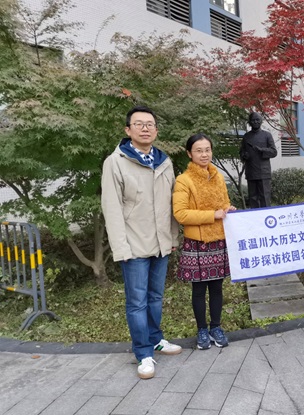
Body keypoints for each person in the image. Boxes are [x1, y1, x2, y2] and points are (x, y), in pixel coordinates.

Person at [102, 106, 182, 380]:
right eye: (139, 124)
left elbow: (171, 203)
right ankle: (143, 352)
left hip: (161, 243)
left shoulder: (164, 161)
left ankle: (156, 339)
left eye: (150, 124)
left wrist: (172, 237)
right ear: (128, 130)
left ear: (156, 130)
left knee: (156, 297)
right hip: (133, 245)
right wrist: (120, 247)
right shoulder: (116, 162)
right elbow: (112, 208)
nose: (145, 128)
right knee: (137, 301)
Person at [173, 133, 236, 350]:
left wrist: (228, 209)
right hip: (197, 242)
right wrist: (213, 215)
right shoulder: (184, 180)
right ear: (189, 154)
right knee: (199, 290)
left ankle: (216, 327)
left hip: (218, 239)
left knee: (217, 288)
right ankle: (202, 330)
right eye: (198, 151)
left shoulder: (217, 176)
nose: (204, 154)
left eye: (207, 150)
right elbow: (181, 214)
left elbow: (224, 203)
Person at [239, 112, 277, 208]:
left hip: (263, 172)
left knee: (265, 197)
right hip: (251, 171)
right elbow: (242, 151)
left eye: (257, 120)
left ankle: (267, 216)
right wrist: (244, 155)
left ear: (261, 121)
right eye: (253, 120)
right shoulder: (246, 136)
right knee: (253, 198)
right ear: (249, 122)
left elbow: (273, 152)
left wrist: (261, 150)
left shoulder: (267, 135)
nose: (255, 122)